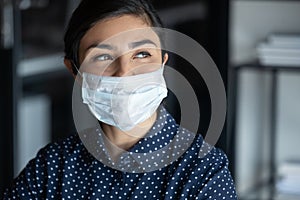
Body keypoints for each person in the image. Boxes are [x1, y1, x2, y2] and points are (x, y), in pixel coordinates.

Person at [3, 0, 237, 199]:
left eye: (142, 54)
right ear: (75, 71)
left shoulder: (203, 171)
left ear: (162, 63)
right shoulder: (53, 168)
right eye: (103, 56)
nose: (124, 72)